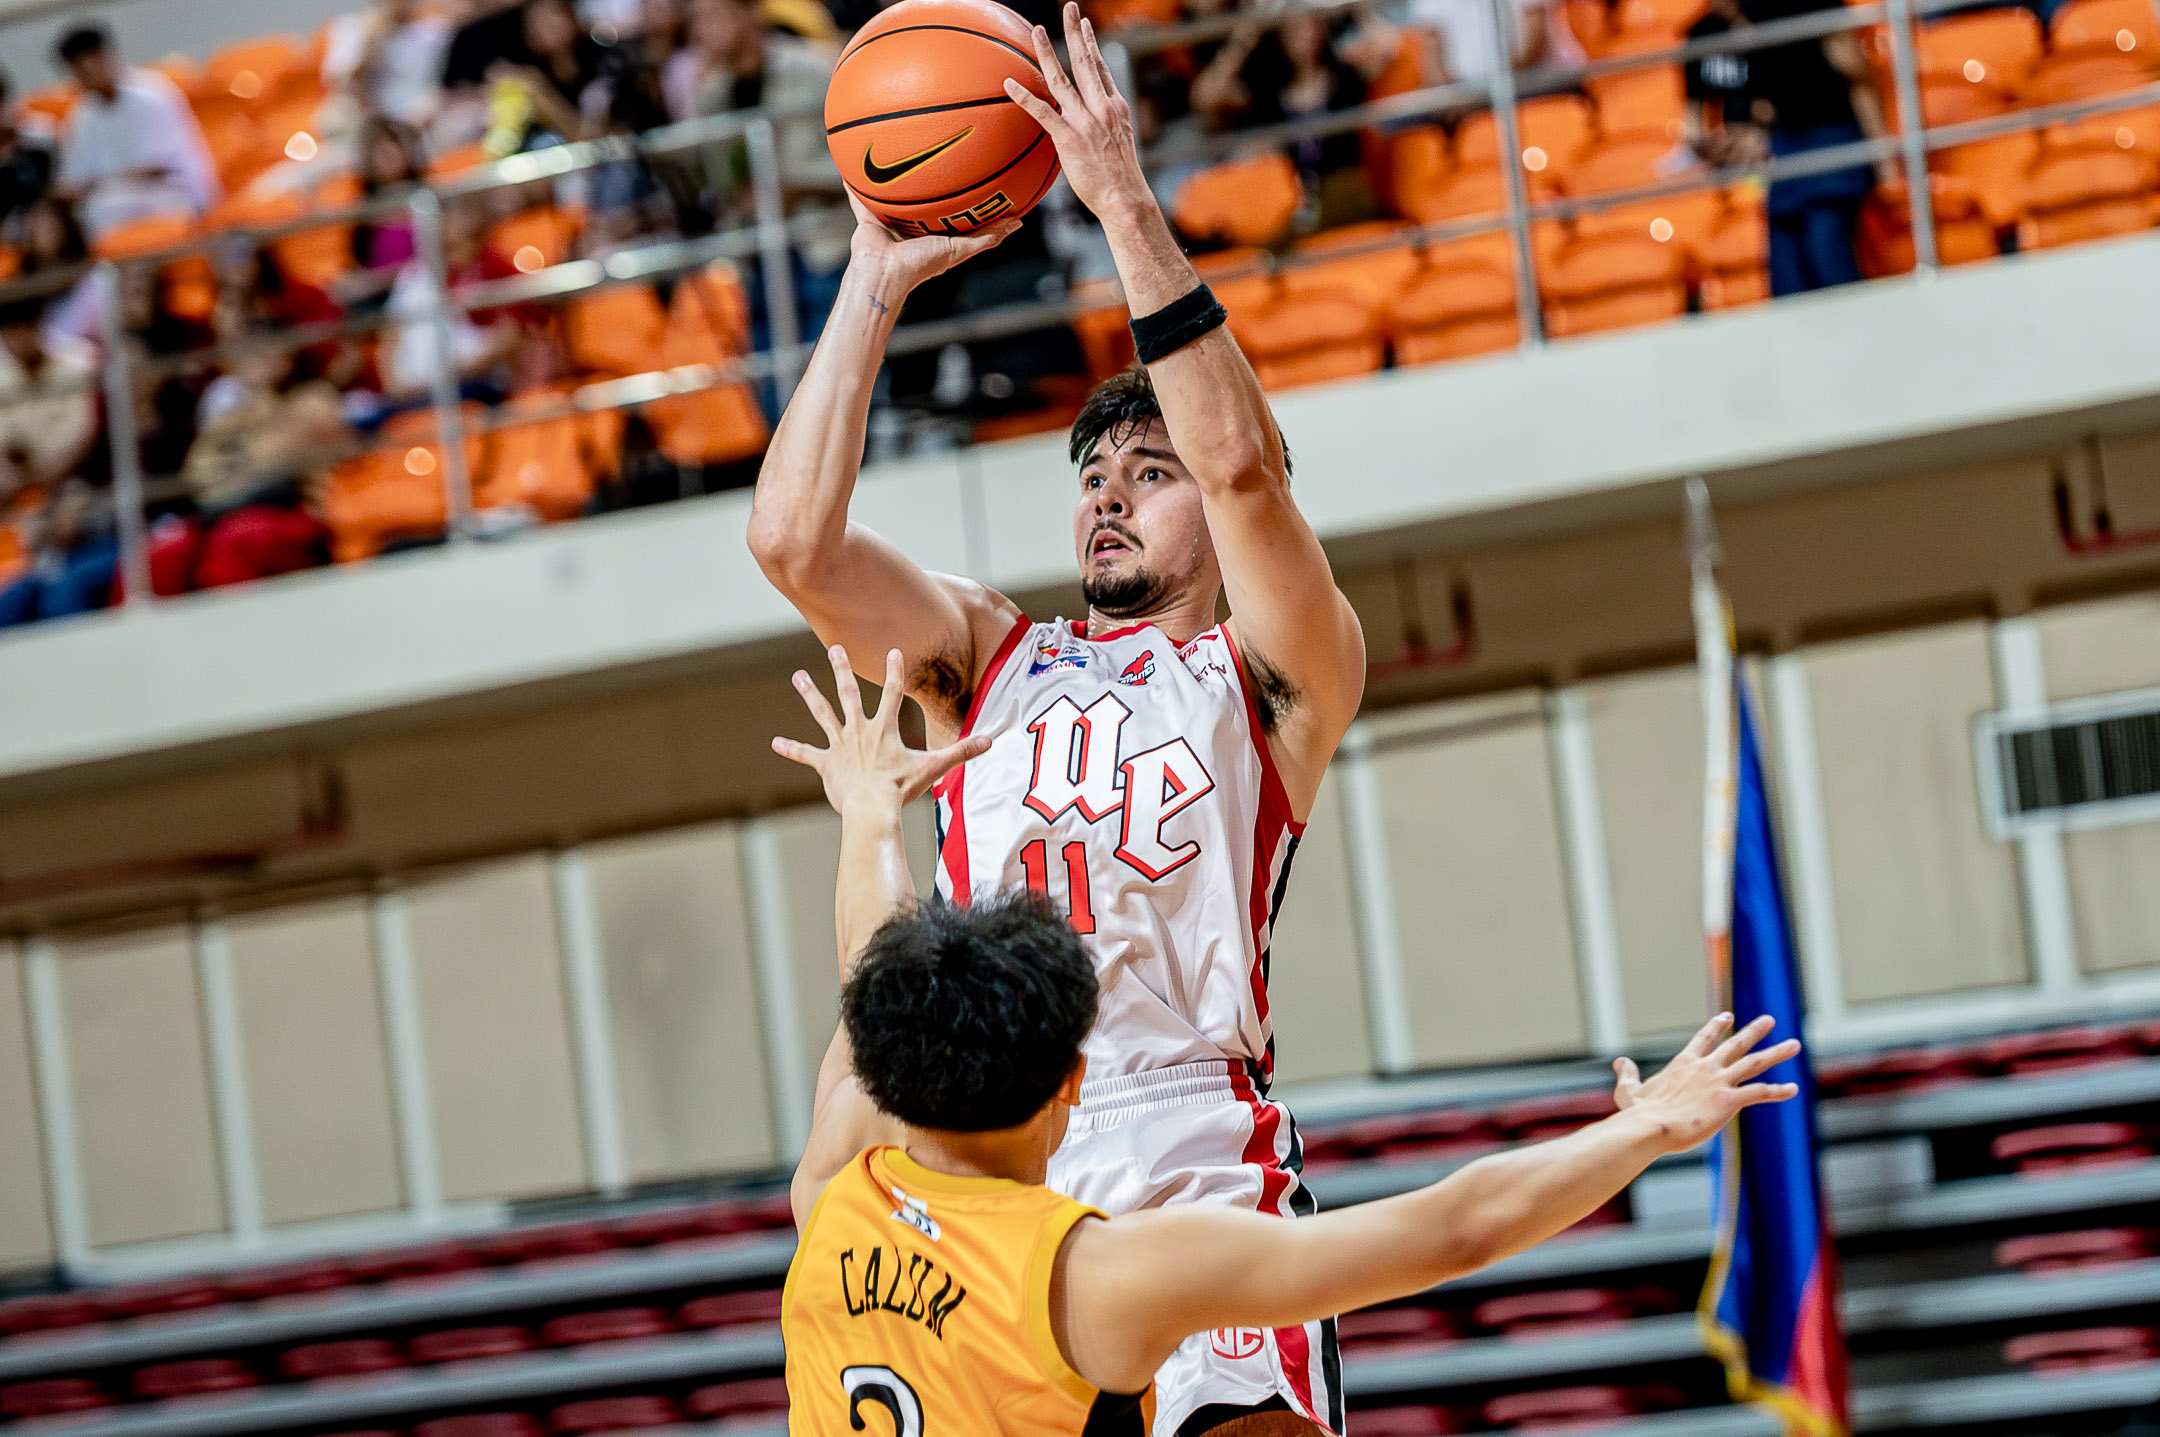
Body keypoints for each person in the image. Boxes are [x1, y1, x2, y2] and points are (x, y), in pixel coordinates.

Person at [750, 9, 1369, 1431]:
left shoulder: (1276, 671)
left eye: (1147, 472)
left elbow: (1250, 472)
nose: (1106, 489)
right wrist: (872, 275)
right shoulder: (986, 652)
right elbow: (792, 542)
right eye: (1093, 470)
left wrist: (1119, 199)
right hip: (984, 1159)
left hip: (1191, 1133)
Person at [771, 643, 1805, 1437]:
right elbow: (1453, 1230)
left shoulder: (836, 1191)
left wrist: (868, 815)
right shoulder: (1088, 1280)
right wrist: (1644, 1131)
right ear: (1071, 1084)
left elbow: (875, 966)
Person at [1684, 0, 1894, 295]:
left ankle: (1863, 336)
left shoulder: (1808, 6)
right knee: (1786, 278)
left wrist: (1883, 155)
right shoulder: (1738, 22)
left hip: (1831, 139)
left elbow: (1858, 78)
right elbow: (1757, 106)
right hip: (1785, 148)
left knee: (1827, 256)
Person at [50, 26, 218, 241]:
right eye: (78, 68)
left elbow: (155, 171)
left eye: (91, 63)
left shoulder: (152, 94)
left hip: (175, 193)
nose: (87, 73)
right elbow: (75, 180)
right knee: (90, 211)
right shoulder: (82, 115)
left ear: (108, 56)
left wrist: (100, 183)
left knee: (105, 208)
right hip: (120, 199)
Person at [321, 0, 454, 131]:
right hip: (367, 118)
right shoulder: (352, 28)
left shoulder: (435, 31)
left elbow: (444, 84)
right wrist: (371, 42)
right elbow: (340, 84)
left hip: (420, 116)